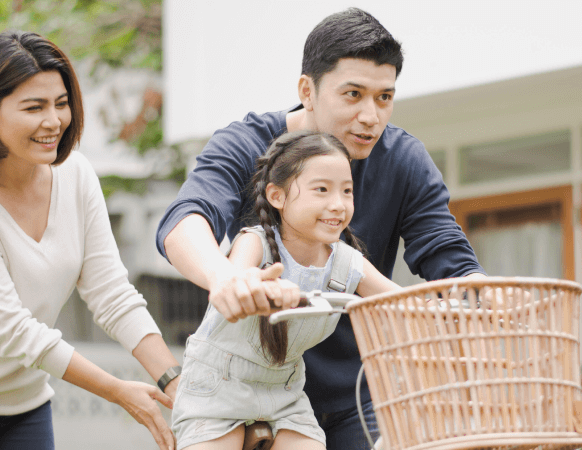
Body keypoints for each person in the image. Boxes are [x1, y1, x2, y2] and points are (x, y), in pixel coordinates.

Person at [156, 8, 484, 448]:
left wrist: (478, 294)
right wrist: (226, 279)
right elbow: (187, 219)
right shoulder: (248, 143)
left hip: (359, 388)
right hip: (250, 386)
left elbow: (445, 254)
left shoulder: (402, 158)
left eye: (384, 97)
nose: (371, 115)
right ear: (307, 90)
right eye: (353, 94)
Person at [0, 31, 180, 450]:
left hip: (23, 403)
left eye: (61, 103)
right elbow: (10, 330)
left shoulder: (76, 175)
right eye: (34, 107)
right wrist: (118, 390)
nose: (54, 121)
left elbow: (111, 292)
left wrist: (172, 377)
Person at [171, 131, 401, 450]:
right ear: (277, 196)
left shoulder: (347, 262)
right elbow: (235, 278)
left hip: (284, 393)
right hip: (217, 388)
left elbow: (400, 302)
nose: (338, 204)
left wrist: (451, 311)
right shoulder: (255, 243)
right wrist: (254, 290)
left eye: (346, 191)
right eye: (321, 190)